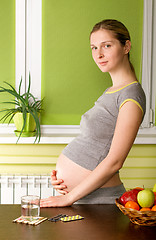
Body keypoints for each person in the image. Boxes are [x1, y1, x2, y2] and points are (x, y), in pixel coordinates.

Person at [40, 19, 146, 207]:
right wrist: (65, 182)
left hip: (99, 202)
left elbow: (114, 161)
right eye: (94, 48)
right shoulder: (112, 91)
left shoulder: (131, 95)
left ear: (126, 46)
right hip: (83, 198)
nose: (99, 54)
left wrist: (68, 197)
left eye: (107, 45)